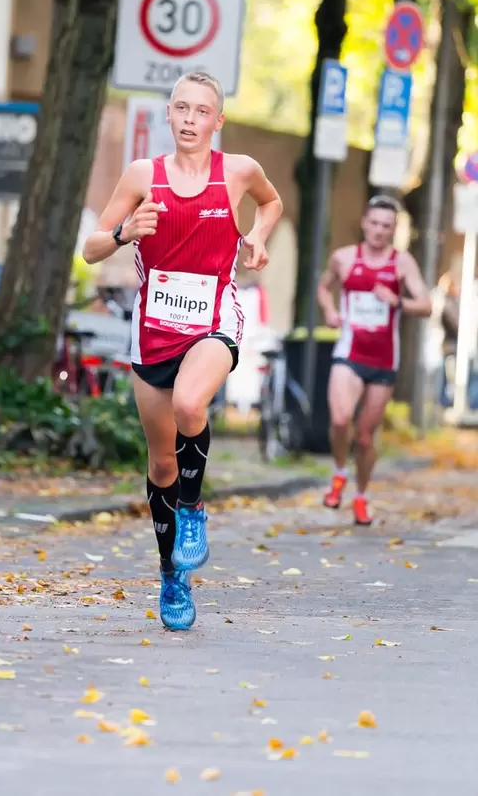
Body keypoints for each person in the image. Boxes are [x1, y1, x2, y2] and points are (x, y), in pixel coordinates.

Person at [82, 71, 282, 630]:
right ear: (169, 115)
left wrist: (259, 237)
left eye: (202, 112)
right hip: (154, 330)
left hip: (213, 318)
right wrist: (125, 233)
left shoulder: (238, 171)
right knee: (162, 461)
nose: (191, 120)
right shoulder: (143, 175)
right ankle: (172, 572)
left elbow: (271, 204)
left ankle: (194, 510)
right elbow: (92, 247)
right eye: (182, 109)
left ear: (218, 121)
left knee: (192, 405)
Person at [317, 194, 432, 525]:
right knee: (340, 419)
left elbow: (425, 305)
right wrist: (329, 311)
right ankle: (339, 473)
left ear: (393, 229)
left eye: (387, 226)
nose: (379, 231)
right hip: (348, 353)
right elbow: (324, 287)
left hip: (383, 360)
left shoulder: (401, 263)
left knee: (366, 436)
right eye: (375, 223)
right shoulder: (343, 258)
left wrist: (397, 301)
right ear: (364, 222)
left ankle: (362, 495)